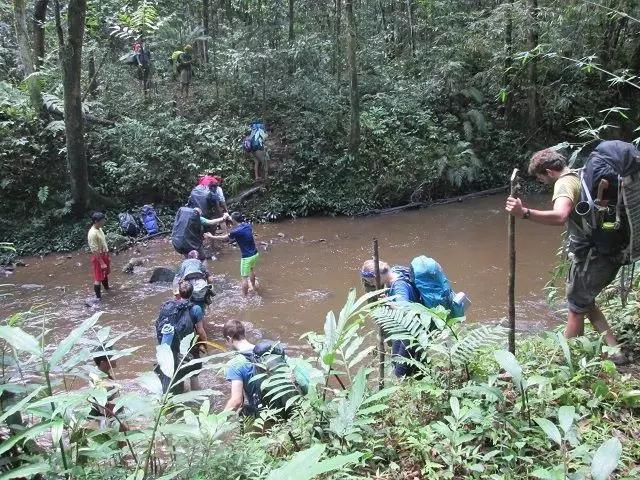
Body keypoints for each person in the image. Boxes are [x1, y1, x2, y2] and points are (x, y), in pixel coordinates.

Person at [505, 147, 625, 362]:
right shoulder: (580, 174)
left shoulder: (564, 183)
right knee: (584, 301)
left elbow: (560, 216)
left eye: (541, 178)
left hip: (594, 256)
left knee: (576, 307)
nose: (542, 182)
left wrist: (524, 213)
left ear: (549, 172)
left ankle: (563, 360)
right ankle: (615, 351)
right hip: (608, 249)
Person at [361, 259, 424, 378]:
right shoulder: (395, 271)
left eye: (371, 282)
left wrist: (388, 302)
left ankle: (414, 389)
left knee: (401, 372)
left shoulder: (399, 286)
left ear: (376, 277)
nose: (372, 285)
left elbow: (405, 311)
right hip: (401, 329)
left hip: (411, 330)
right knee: (396, 362)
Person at [155, 281, 208, 393]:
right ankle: (196, 400)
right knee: (194, 375)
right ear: (192, 293)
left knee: (177, 375)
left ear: (178, 292)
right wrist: (204, 344)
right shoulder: (196, 309)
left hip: (172, 348)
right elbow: (200, 331)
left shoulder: (168, 307)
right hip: (188, 348)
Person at [205, 212, 259, 296]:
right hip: (255, 254)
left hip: (246, 257)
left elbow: (224, 238)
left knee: (244, 278)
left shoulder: (236, 231)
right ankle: (254, 287)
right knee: (251, 270)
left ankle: (244, 297)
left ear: (233, 220)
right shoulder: (248, 225)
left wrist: (212, 237)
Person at [88, 212, 111, 300]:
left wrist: (107, 255)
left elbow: (103, 243)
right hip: (98, 257)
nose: (104, 221)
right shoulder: (92, 233)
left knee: (105, 273)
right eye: (102, 220)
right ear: (96, 221)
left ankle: (107, 289)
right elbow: (94, 250)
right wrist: (101, 262)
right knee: (98, 277)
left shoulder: (99, 229)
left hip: (104, 254)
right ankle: (98, 298)